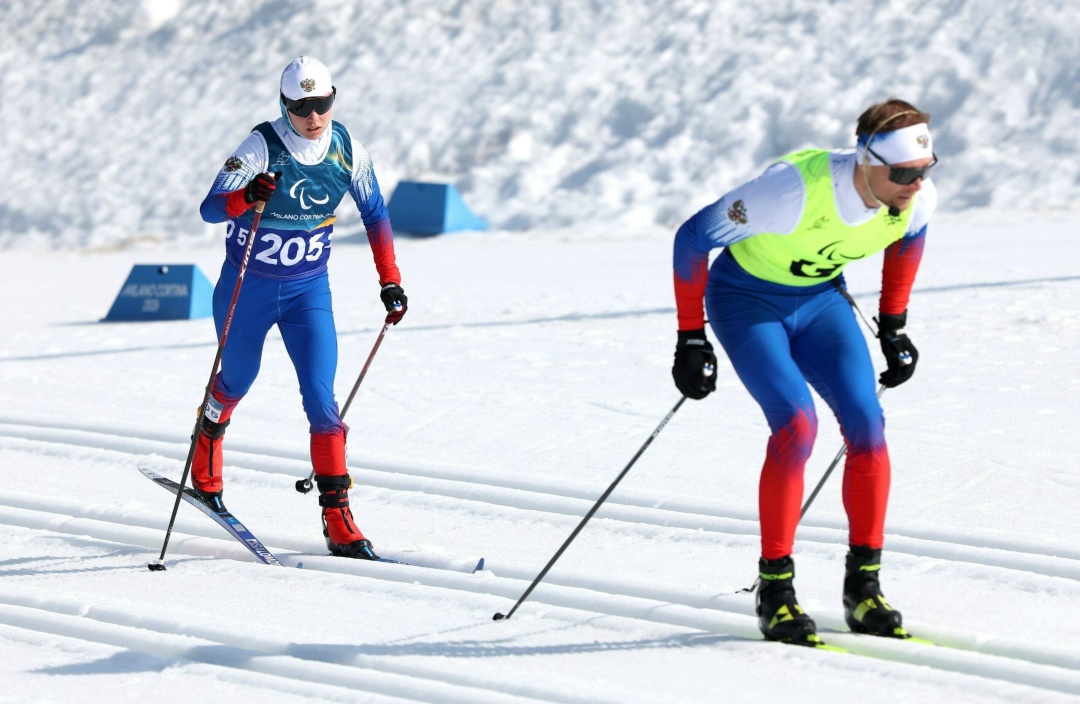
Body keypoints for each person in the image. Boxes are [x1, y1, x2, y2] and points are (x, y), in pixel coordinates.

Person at [670, 98, 937, 646]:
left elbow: (908, 242)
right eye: (903, 172)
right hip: (747, 300)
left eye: (925, 170)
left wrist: (893, 326)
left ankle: (863, 587)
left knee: (867, 423)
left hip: (820, 303)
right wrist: (690, 336)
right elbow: (694, 237)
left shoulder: (916, 197)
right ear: (866, 162)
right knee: (797, 424)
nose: (915, 184)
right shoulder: (790, 190)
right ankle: (775, 591)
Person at [196, 56, 407, 560]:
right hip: (247, 287)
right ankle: (205, 459)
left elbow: (375, 214)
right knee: (238, 378)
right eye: (301, 107)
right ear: (284, 104)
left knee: (321, 398)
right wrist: (246, 195)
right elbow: (209, 208)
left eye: (323, 104)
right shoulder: (261, 146)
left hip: (308, 290)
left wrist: (391, 280)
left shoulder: (348, 149)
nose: (313, 117)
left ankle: (339, 521)